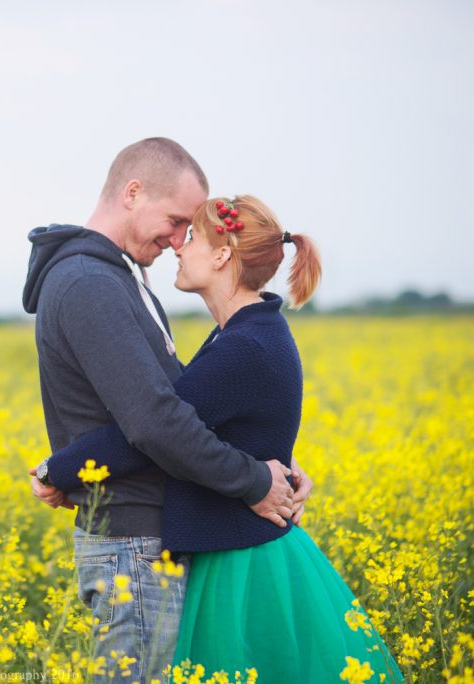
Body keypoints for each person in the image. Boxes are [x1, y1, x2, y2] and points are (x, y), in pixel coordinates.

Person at [42, 195, 403, 682]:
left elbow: (153, 429)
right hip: (243, 547)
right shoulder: (251, 332)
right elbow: (231, 424)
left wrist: (57, 471)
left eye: (191, 236)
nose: (178, 246)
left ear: (221, 256)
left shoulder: (244, 346)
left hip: (243, 567)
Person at [20, 138, 311, 684]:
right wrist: (254, 479)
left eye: (190, 231)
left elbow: (183, 410)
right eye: (176, 220)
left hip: (155, 535)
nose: (179, 240)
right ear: (133, 193)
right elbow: (155, 422)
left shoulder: (121, 278)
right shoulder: (89, 282)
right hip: (131, 540)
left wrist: (272, 463)